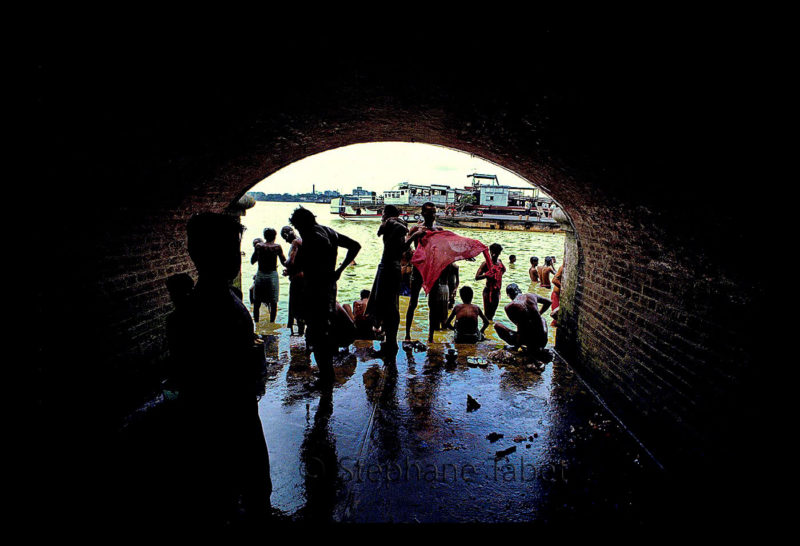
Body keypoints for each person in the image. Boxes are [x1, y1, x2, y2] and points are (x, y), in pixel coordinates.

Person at [167, 212, 271, 526]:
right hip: (227, 414)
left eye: (236, 252)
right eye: (228, 252)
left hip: (236, 409)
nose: (235, 260)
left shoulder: (218, 299)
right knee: (239, 489)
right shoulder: (204, 308)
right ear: (199, 255)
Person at [289, 207, 360, 383]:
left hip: (315, 288)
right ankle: (326, 373)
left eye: (298, 227)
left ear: (301, 224)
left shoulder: (311, 237)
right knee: (324, 329)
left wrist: (294, 255)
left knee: (318, 333)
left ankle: (326, 376)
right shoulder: (329, 231)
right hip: (329, 285)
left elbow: (296, 266)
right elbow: (355, 245)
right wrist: (339, 270)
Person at [366, 205, 412, 358]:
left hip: (388, 268)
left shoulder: (394, 224)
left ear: (389, 214)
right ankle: (389, 342)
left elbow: (399, 232)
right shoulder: (396, 228)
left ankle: (391, 344)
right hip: (390, 267)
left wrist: (410, 234)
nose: (381, 217)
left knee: (388, 306)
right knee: (388, 305)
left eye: (383, 214)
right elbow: (401, 247)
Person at [404, 202, 443, 341]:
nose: (432, 215)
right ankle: (407, 335)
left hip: (433, 270)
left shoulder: (438, 230)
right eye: (429, 212)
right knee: (413, 302)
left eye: (434, 212)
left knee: (433, 304)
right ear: (423, 213)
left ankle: (430, 337)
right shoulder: (416, 229)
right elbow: (404, 246)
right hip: (418, 269)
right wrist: (415, 236)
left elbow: (448, 246)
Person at [494, 283, 551, 353]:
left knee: (497, 325)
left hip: (527, 342)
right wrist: (539, 314)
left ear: (509, 295)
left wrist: (517, 346)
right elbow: (549, 302)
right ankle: (537, 345)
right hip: (542, 340)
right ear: (519, 290)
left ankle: (518, 346)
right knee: (542, 319)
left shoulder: (509, 307)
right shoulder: (531, 295)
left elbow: (520, 328)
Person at [250, 228, 286, 323]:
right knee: (273, 302)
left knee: (257, 301)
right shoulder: (277, 247)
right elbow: (284, 262)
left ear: (264, 236)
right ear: (274, 236)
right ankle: (272, 323)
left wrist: (259, 254)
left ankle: (256, 323)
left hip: (260, 274)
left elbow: (252, 261)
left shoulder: (259, 246)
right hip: (272, 275)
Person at [280, 225, 305, 335]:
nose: (285, 242)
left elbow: (291, 262)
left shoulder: (295, 243)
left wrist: (285, 264)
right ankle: (302, 331)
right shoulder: (303, 240)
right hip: (307, 277)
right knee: (304, 305)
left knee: (296, 305)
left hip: (297, 279)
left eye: (284, 239)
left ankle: (296, 332)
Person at [475, 243, 506, 320]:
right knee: (487, 315)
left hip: (497, 291)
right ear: (490, 252)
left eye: (497, 252)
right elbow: (477, 277)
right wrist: (486, 275)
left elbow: (502, 271)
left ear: (499, 253)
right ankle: (486, 330)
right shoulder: (486, 264)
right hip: (488, 291)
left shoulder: (500, 262)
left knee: (492, 315)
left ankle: (489, 329)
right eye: (493, 252)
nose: (495, 254)